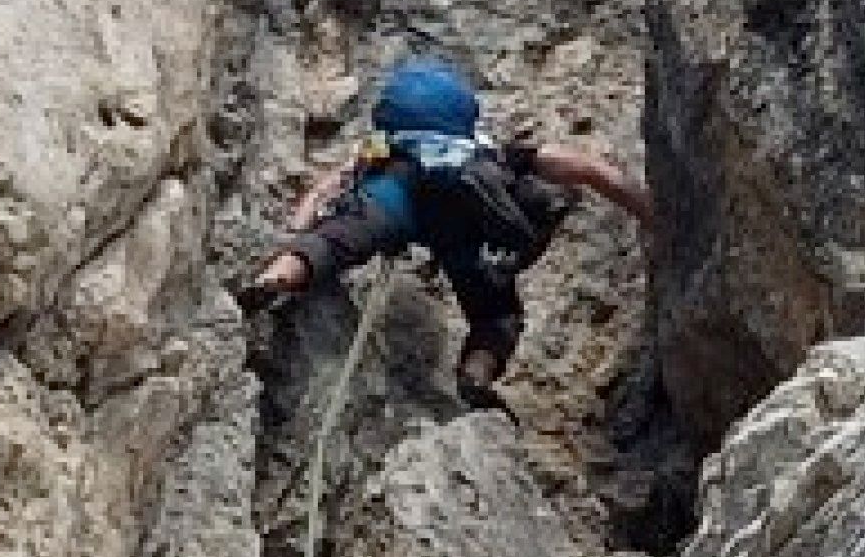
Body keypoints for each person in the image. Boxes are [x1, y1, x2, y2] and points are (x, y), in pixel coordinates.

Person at [243, 58, 652, 407]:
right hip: (461, 225)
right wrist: (658, 217)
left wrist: (296, 229)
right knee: (497, 316)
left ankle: (274, 278)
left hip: (394, 197)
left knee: (333, 242)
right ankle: (476, 376)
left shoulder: (383, 149)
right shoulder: (485, 152)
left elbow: (329, 187)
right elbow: (593, 172)